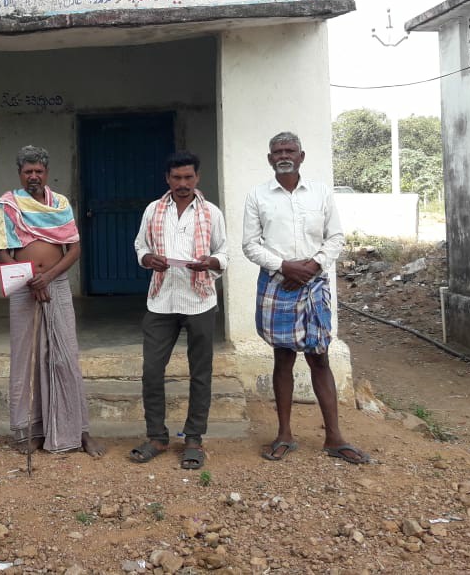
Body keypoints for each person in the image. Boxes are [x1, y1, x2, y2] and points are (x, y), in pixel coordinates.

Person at [242, 131, 369, 464]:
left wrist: (312, 266)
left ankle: (334, 437)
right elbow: (250, 245)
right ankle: (284, 434)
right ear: (269, 159)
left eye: (290, 150)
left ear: (301, 156)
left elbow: (335, 237)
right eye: (278, 151)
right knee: (283, 358)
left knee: (320, 358)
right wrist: (285, 266)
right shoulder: (257, 196)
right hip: (278, 283)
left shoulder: (321, 193)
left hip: (313, 284)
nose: (284, 155)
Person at [0, 145, 104, 457]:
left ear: (46, 173)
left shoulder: (61, 204)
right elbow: (1, 251)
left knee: (65, 356)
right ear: (19, 174)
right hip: (23, 286)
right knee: (26, 359)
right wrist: (31, 279)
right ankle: (30, 431)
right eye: (27, 171)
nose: (33, 176)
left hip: (57, 285)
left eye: (38, 171)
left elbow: (74, 249)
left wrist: (48, 276)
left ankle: (78, 431)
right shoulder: (10, 205)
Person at [130, 151, 228, 470]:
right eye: (177, 177)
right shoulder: (153, 210)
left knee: (200, 372)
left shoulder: (211, 213)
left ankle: (194, 439)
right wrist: (147, 259)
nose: (183, 183)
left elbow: (224, 251)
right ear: (167, 179)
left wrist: (211, 262)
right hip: (161, 300)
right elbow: (141, 245)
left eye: (188, 177)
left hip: (199, 301)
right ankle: (157, 436)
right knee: (151, 371)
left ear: (197, 177)